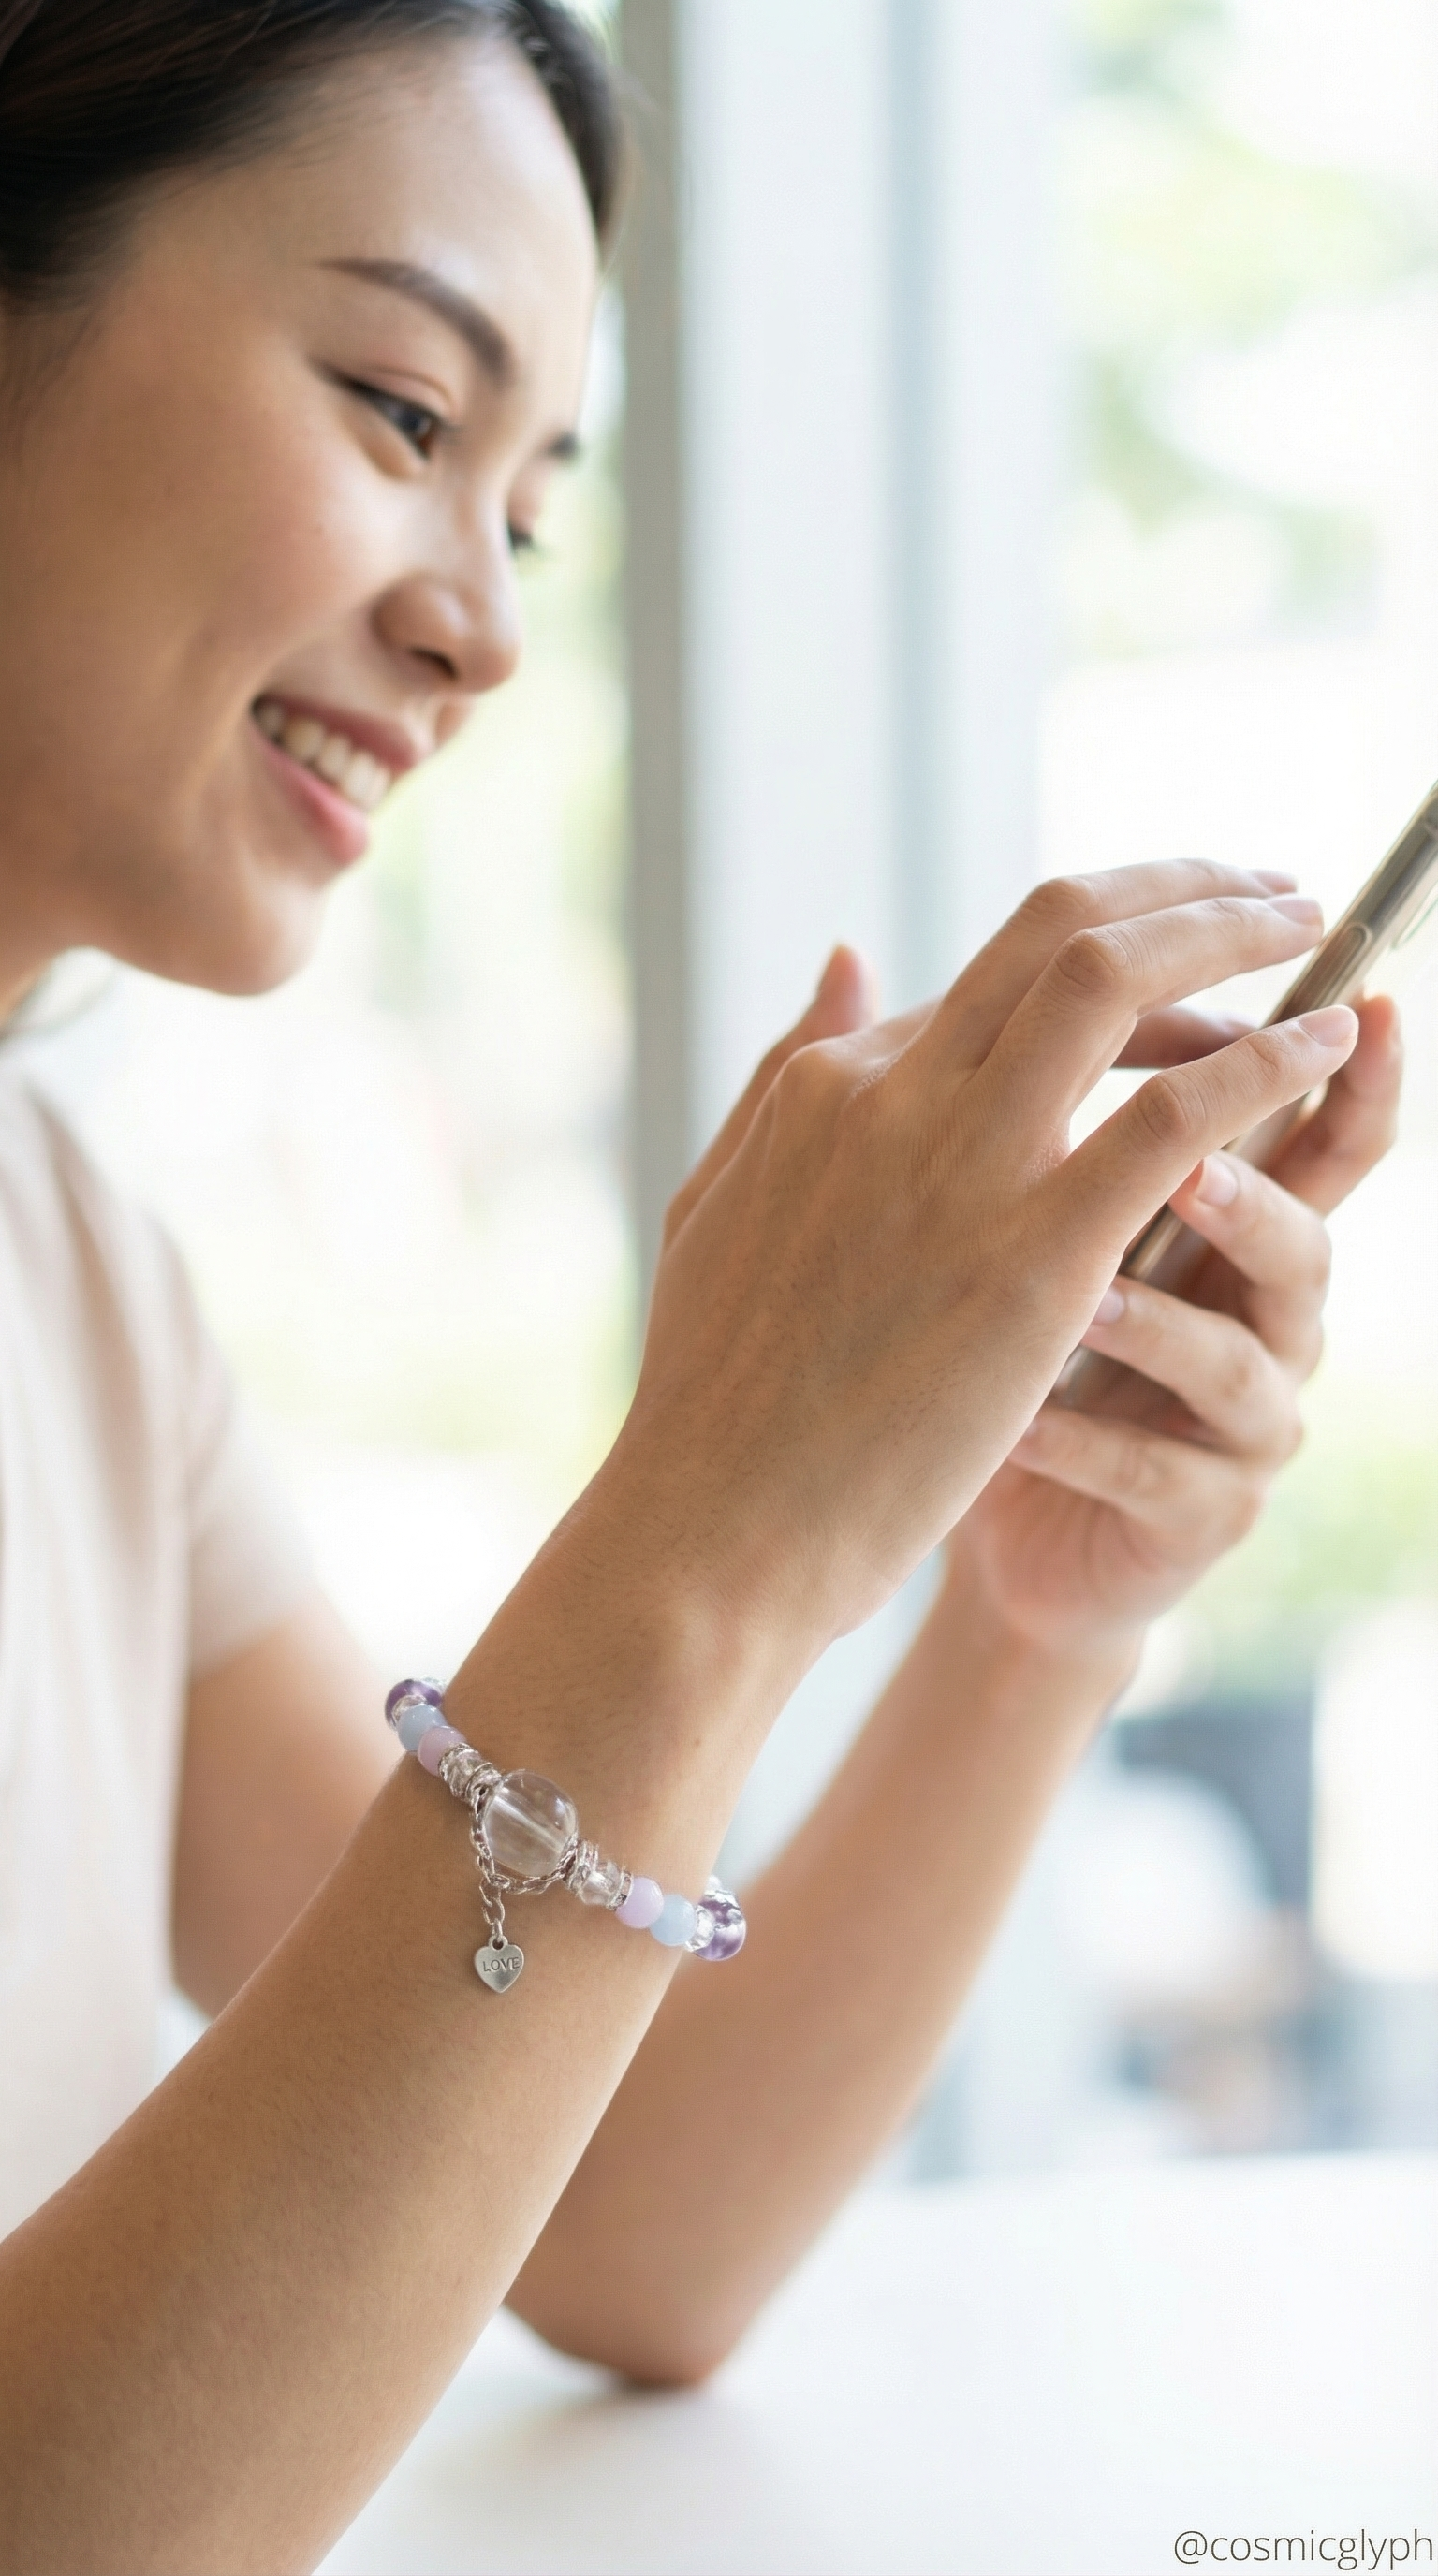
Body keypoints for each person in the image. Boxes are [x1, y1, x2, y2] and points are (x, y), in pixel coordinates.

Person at [0, 2, 1401, 2567]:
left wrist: (1031, 1608)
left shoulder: (75, 1271)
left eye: (533, 514)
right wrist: (716, 1529)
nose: (486, 631)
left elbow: (612, 2215)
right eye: (407, 415)